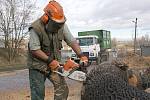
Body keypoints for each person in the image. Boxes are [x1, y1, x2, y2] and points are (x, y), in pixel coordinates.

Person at [27, 0, 88, 100]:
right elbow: (34, 49)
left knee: (62, 89)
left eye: (60, 23)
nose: (58, 26)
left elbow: (71, 41)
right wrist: (49, 60)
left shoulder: (61, 26)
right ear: (46, 18)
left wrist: (81, 55)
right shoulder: (36, 28)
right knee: (38, 94)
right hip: (37, 65)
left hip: (54, 65)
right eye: (56, 23)